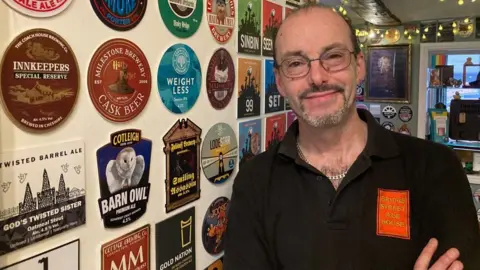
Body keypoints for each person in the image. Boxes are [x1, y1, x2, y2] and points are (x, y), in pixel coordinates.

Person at [223, 3, 480, 270]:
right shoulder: (254, 182)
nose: (317, 77)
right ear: (279, 81)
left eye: (333, 56)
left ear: (359, 65)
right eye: (296, 63)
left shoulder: (437, 168)